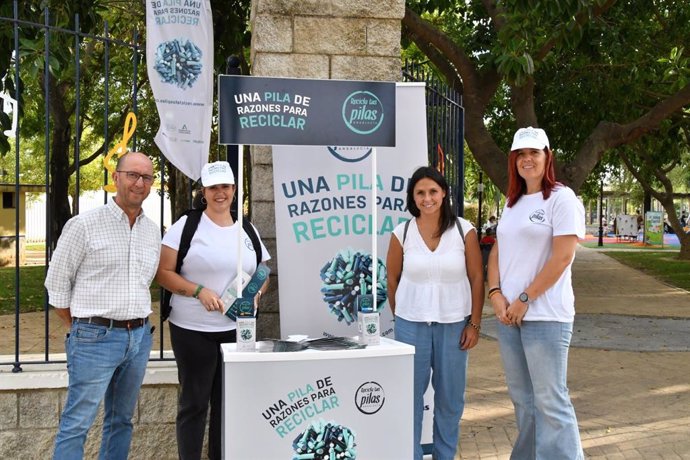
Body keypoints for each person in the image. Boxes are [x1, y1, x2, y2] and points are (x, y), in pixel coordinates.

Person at [45, 151, 161, 459]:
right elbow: (56, 284)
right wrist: (81, 329)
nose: (139, 183)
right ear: (116, 177)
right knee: (76, 423)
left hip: (138, 338)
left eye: (146, 177)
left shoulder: (152, 231)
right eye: (132, 175)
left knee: (121, 421)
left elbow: (145, 281)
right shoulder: (84, 224)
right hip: (94, 338)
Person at [155, 161, 270, 460]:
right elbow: (163, 273)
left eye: (226, 187)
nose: (220, 193)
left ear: (234, 190)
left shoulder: (247, 228)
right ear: (204, 192)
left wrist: (256, 292)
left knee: (225, 403)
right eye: (213, 187)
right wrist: (197, 291)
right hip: (193, 330)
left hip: (236, 332)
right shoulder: (187, 226)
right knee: (194, 403)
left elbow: (263, 273)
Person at [487, 126, 585, 459]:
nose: (528, 160)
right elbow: (499, 250)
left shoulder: (561, 198)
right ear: (514, 160)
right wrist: (496, 294)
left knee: (550, 400)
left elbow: (563, 257)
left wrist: (525, 299)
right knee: (524, 401)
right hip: (509, 316)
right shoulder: (512, 203)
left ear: (547, 157)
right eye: (521, 154)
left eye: (534, 153)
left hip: (545, 316)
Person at [386, 166, 484, 460]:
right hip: (410, 327)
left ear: (443, 194)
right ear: (412, 197)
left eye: (433, 191)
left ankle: (445, 455)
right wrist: (403, 313)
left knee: (450, 399)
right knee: (410, 399)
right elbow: (392, 280)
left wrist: (474, 325)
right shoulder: (401, 233)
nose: (427, 198)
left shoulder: (464, 231)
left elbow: (478, 278)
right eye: (420, 192)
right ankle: (412, 455)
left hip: (454, 326)